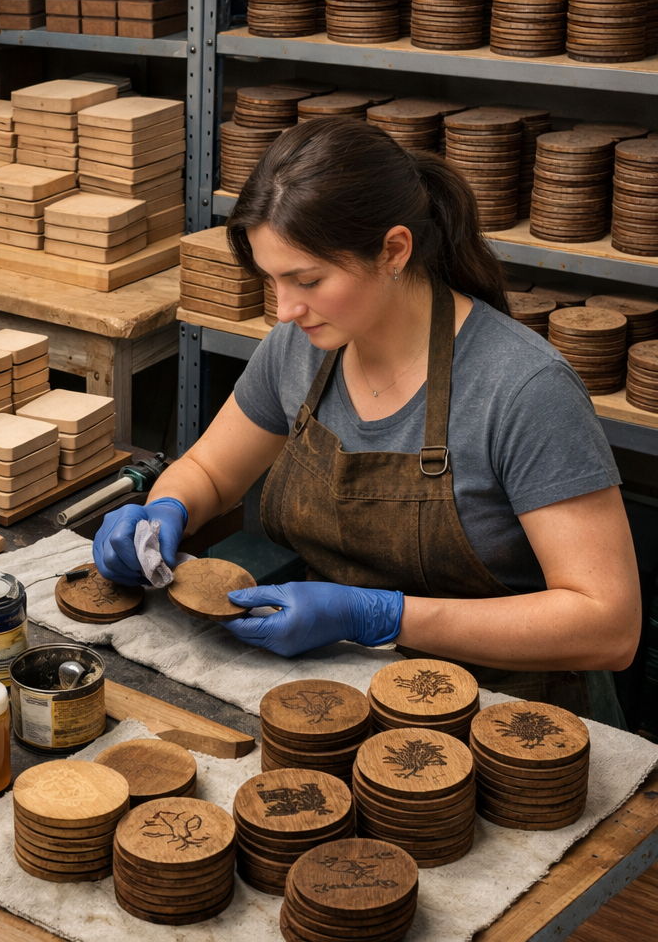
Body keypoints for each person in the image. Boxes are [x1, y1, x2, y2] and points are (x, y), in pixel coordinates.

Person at [94, 117, 640, 714]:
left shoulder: (524, 389)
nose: (283, 309)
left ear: (394, 250)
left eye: (307, 279)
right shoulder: (302, 345)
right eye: (271, 278)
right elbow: (211, 471)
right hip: (336, 686)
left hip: (501, 713)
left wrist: (378, 614)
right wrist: (164, 510)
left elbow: (607, 626)